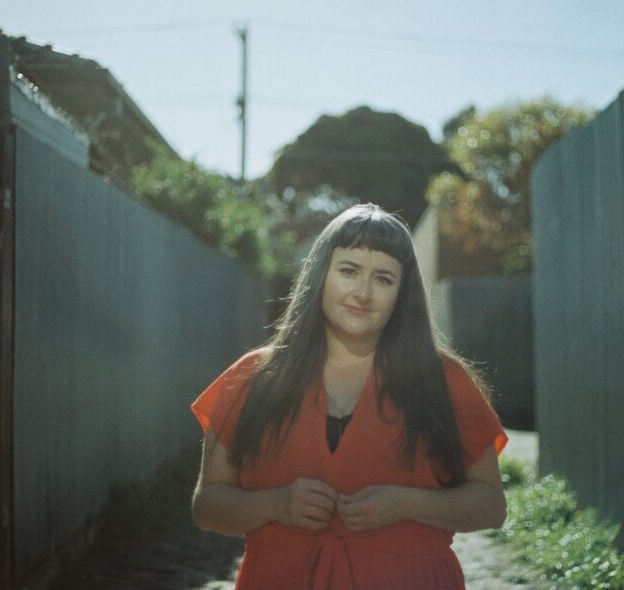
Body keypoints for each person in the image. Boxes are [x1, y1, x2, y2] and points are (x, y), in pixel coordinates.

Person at [190, 203, 508, 589]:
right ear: (320, 274)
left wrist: (407, 504)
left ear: (402, 293)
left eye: (384, 279)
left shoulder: (444, 381)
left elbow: (491, 505)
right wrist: (275, 504)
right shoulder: (253, 377)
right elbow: (207, 507)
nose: (362, 293)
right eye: (349, 271)